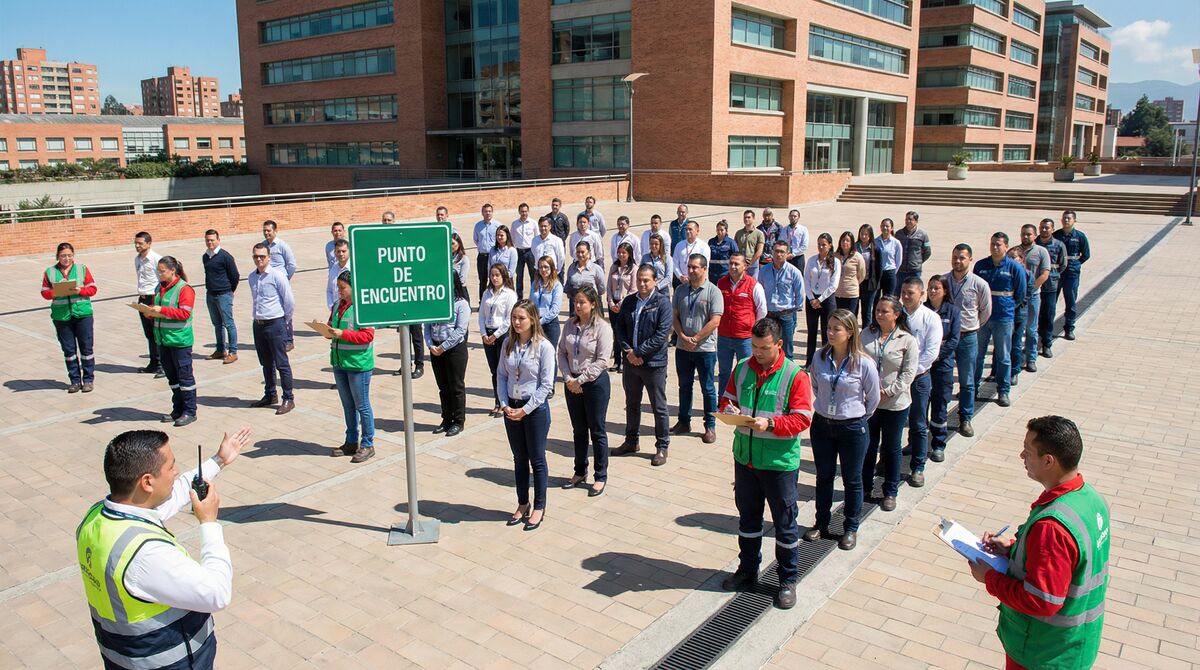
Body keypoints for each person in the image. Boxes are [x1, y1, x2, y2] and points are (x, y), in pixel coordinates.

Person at [77, 427, 252, 670]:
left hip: (122, 657)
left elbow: (177, 492)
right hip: (169, 662)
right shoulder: (146, 555)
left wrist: (218, 461)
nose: (176, 472)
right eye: (170, 467)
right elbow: (217, 593)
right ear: (147, 482)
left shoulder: (97, 517)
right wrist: (209, 523)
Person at [969, 416, 1109, 670]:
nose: (1021, 455)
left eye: (1028, 451)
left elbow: (1042, 600)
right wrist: (1012, 549)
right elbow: (1066, 564)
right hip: (1075, 644)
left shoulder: (1052, 526)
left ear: (1048, 461)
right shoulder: (1090, 499)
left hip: (1043, 653)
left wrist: (989, 578)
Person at [718, 317, 814, 609]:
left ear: (779, 345)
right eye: (755, 346)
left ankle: (787, 580)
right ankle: (747, 570)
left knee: (785, 524)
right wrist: (728, 409)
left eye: (764, 348)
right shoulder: (744, 368)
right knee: (748, 519)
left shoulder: (795, 376)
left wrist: (770, 423)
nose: (757, 353)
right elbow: (726, 399)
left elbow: (802, 419)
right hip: (745, 459)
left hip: (778, 464)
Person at [804, 309, 880, 551]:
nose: (831, 332)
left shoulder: (863, 362)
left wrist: (854, 416)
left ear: (850, 332)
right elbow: (815, 385)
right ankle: (821, 523)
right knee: (823, 476)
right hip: (823, 425)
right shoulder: (819, 357)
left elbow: (873, 398)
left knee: (852, 479)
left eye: (837, 328)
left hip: (852, 427)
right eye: (829, 327)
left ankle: (850, 527)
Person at [498, 300, 556, 531]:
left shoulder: (544, 347)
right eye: (514, 318)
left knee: (537, 459)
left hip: (533, 410)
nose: (516, 322)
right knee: (519, 459)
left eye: (521, 318)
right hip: (511, 407)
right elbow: (501, 375)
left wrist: (525, 410)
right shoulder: (507, 344)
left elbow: (546, 385)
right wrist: (504, 404)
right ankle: (523, 502)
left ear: (532, 319)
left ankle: (539, 507)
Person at [860, 296, 918, 512]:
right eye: (877, 310)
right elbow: (857, 363)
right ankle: (864, 486)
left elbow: (908, 373)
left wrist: (888, 391)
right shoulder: (866, 334)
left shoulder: (907, 340)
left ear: (896, 315)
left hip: (895, 404)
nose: (879, 314)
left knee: (892, 448)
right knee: (867, 446)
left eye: (885, 311)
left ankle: (890, 491)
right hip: (869, 403)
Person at [614, 265, 673, 466]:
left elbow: (661, 334)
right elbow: (619, 327)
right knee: (632, 404)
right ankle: (631, 441)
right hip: (631, 364)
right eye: (639, 279)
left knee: (659, 406)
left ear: (655, 281)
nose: (642, 283)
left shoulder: (663, 303)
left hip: (653, 363)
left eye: (646, 280)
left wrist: (639, 352)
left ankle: (662, 446)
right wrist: (628, 351)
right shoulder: (630, 301)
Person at [559, 284, 613, 497]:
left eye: (582, 302)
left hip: (594, 384)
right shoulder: (569, 325)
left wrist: (580, 380)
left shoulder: (602, 327)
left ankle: (601, 476)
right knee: (578, 429)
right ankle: (579, 471)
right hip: (572, 382)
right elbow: (561, 352)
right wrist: (567, 378)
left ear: (593, 304)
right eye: (575, 302)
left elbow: (602, 361)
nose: (578, 306)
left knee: (597, 430)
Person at [671, 254, 724, 444]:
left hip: (705, 349)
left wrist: (695, 338)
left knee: (708, 388)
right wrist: (682, 337)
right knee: (684, 386)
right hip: (683, 347)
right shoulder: (680, 290)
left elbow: (715, 321)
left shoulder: (713, 292)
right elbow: (674, 316)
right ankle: (683, 421)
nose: (691, 271)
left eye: (695, 267)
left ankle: (710, 425)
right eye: (689, 267)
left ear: (704, 269)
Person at [325, 270, 376, 463]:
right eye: (338, 287)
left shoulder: (363, 307)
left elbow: (367, 336)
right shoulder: (338, 305)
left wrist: (342, 334)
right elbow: (332, 325)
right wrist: (327, 331)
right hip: (340, 361)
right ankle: (351, 441)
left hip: (358, 364)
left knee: (362, 405)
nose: (339, 291)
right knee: (348, 405)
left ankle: (368, 443)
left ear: (354, 288)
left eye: (342, 288)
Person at [973, 232, 1027, 408]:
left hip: (1004, 317)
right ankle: (972, 388)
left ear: (1006, 246)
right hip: (983, 317)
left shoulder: (1014, 268)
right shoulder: (981, 266)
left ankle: (1003, 390)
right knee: (978, 355)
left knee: (1003, 356)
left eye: (999, 244)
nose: (995, 247)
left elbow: (1020, 294)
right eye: (993, 244)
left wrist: (1008, 307)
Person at [899, 277, 942, 488]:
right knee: (892, 423)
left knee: (918, 423)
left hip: (918, 379)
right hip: (896, 380)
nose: (906, 296)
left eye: (911, 293)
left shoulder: (930, 319)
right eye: (904, 292)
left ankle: (918, 467)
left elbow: (931, 353)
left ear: (921, 294)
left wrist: (909, 374)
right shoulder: (896, 314)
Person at [149, 257, 199, 426]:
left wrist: (161, 310)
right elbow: (158, 309)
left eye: (162, 271)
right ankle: (177, 409)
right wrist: (150, 312)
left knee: (185, 378)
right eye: (158, 270)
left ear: (172, 270)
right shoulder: (160, 288)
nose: (159, 274)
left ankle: (190, 411)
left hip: (179, 341)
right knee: (173, 378)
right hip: (163, 340)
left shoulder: (184, 289)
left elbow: (184, 313)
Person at [948, 243, 991, 437]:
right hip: (947, 338)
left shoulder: (979, 284)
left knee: (967, 381)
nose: (958, 261)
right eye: (955, 257)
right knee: (944, 380)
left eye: (962, 257)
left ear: (970, 260)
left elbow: (985, 311)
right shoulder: (943, 281)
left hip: (968, 336)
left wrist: (971, 327)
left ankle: (965, 418)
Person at [42, 242, 98, 393]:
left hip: (82, 314)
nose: (66, 259)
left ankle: (88, 380)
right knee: (69, 350)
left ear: (73, 255)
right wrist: (54, 293)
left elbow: (93, 289)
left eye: (69, 255)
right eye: (63, 256)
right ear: (57, 256)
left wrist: (80, 290)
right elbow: (44, 292)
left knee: (86, 348)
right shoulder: (50, 272)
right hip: (62, 316)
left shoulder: (81, 269)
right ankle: (74, 380)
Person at [248, 243, 295, 415]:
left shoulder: (277, 276)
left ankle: (288, 398)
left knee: (281, 363)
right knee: (265, 363)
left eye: (262, 256)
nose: (259, 259)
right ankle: (270, 394)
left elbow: (289, 301)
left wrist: (283, 321)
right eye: (256, 256)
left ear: (269, 257)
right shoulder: (252, 277)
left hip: (275, 323)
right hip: (259, 324)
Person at [716, 251, 768, 394]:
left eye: (736, 264)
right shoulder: (721, 283)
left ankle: (746, 402)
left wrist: (752, 329)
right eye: (731, 263)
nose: (733, 267)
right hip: (724, 336)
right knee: (724, 372)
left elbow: (762, 310)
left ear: (745, 266)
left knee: (748, 372)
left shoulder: (754, 285)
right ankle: (723, 401)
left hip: (744, 338)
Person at [925, 275, 961, 466]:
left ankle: (938, 443)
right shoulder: (921, 311)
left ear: (945, 291)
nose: (932, 291)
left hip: (942, 365)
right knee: (920, 407)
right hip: (923, 367)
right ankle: (916, 443)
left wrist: (935, 355)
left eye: (936, 288)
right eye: (930, 288)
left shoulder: (953, 312)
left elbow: (954, 340)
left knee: (939, 405)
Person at [384, 212, 425, 379]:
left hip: (412, 296)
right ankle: (405, 364)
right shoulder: (383, 241)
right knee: (403, 335)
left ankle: (419, 365)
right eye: (384, 221)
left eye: (389, 220)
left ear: (395, 221)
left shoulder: (403, 239)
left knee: (416, 333)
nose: (387, 223)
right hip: (397, 297)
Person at [428, 278, 471, 436]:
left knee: (456, 386)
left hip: (454, 349)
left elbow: (461, 330)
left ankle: (458, 421)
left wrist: (443, 347)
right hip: (436, 348)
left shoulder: (461, 304)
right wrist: (430, 345)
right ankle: (446, 419)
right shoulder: (434, 301)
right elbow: (427, 325)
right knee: (443, 387)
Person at [480, 263, 518, 417]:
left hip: (502, 335)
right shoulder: (487, 293)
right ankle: (497, 401)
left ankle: (505, 402)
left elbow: (510, 318)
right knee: (494, 370)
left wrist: (495, 335)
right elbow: (481, 314)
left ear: (503, 276)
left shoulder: (509, 294)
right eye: (492, 275)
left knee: (503, 370)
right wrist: (484, 334)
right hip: (487, 334)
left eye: (497, 275)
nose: (494, 278)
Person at [759, 241, 805, 360]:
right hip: (769, 315)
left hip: (786, 315)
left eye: (782, 252)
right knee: (768, 346)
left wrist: (794, 312)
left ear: (787, 254)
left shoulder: (794, 272)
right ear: (772, 252)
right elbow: (760, 291)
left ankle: (788, 376)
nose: (779, 254)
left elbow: (799, 293)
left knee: (787, 350)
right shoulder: (764, 271)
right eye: (776, 251)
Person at [1016, 223, 1051, 373]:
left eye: (1029, 234)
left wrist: (1030, 290)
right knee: (1017, 331)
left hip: (1033, 296)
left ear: (1035, 235)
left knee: (1031, 329)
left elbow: (1044, 274)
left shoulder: (1041, 252)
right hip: (1017, 298)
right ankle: (1016, 360)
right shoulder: (1015, 251)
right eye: (1023, 233)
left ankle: (1031, 358)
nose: (1026, 236)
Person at [803, 233, 841, 367]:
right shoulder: (812, 260)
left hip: (827, 299)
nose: (821, 247)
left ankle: (826, 361)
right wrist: (811, 298)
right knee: (811, 332)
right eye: (819, 244)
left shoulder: (835, 262)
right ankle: (809, 362)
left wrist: (820, 299)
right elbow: (806, 279)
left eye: (824, 244)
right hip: (812, 298)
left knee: (827, 332)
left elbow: (833, 285)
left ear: (830, 245)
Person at [202, 229, 239, 364]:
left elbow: (235, 276)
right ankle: (220, 349)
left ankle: (233, 351)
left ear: (218, 240)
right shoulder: (205, 256)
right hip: (210, 294)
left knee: (229, 323)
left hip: (224, 294)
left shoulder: (225, 257)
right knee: (217, 324)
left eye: (212, 240)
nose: (210, 242)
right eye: (207, 240)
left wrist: (229, 291)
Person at [1052, 210, 1090, 341]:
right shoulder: (1056, 235)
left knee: (1071, 300)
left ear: (1074, 221)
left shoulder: (1079, 236)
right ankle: (1048, 327)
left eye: (1069, 218)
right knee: (1051, 300)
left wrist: (1076, 264)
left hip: (1072, 272)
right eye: (1064, 218)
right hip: (1057, 272)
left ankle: (1069, 328)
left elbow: (1086, 254)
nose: (1066, 220)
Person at [261, 220, 297, 350]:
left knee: (286, 309)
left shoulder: (282, 245)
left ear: (275, 231)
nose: (266, 233)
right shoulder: (264, 246)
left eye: (269, 230)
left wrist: (285, 278)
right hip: (268, 282)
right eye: (264, 230)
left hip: (281, 282)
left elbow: (292, 264)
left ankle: (289, 339)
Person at [1035, 218, 1068, 358]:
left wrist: (1053, 275)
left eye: (1047, 228)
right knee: (1034, 316)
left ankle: (1047, 343)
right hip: (1034, 285)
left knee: (1048, 314)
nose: (1044, 230)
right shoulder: (1033, 244)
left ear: (1052, 229)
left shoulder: (1059, 245)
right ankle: (1034, 344)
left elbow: (1063, 264)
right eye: (1042, 227)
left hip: (1050, 285)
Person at [132, 232, 163, 377]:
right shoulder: (137, 259)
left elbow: (162, 280)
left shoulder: (156, 259)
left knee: (158, 332)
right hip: (143, 298)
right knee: (149, 334)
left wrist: (158, 299)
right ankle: (153, 362)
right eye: (136, 243)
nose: (137, 246)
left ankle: (163, 365)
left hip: (153, 298)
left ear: (149, 243)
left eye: (140, 243)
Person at [531, 255, 563, 384]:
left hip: (549, 325)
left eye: (546, 267)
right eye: (541, 267)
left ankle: (550, 384)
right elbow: (530, 302)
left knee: (549, 355)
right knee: (535, 354)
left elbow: (555, 309)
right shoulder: (536, 283)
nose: (543, 270)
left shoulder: (557, 285)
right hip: (535, 322)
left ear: (552, 268)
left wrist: (541, 321)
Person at [607, 242, 637, 372]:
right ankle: (616, 361)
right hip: (613, 304)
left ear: (629, 254)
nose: (621, 255)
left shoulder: (634, 268)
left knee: (625, 332)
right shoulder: (614, 266)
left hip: (625, 305)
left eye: (624, 253)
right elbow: (608, 286)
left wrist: (621, 303)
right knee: (616, 332)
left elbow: (633, 289)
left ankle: (625, 360)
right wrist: (610, 302)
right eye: (619, 252)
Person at [1006, 245, 1034, 387]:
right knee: (1003, 344)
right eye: (1009, 258)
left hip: (1019, 313)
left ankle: (1014, 371)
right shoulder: (1006, 272)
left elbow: (1026, 295)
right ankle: (997, 371)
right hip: (1005, 313)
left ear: (1021, 259)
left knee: (1016, 344)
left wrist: (1011, 305)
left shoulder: (1027, 274)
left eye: (1014, 258)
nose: (1011, 261)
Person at [565, 241, 606, 317]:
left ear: (589, 252)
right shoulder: (571, 268)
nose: (580, 255)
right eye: (578, 252)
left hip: (591, 308)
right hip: (575, 307)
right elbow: (568, 285)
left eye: (583, 252)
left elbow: (601, 289)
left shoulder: (596, 269)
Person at [834, 230, 866, 320]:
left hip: (851, 294)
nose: (845, 242)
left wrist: (852, 283)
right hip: (837, 293)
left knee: (849, 319)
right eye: (843, 240)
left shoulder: (858, 257)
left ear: (852, 243)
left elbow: (861, 275)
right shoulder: (835, 256)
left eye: (847, 240)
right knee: (838, 319)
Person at [894, 211, 932, 285]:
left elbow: (927, 252)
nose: (908, 221)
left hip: (914, 271)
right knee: (896, 293)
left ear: (916, 221)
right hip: (900, 270)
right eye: (906, 219)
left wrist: (918, 261)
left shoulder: (923, 235)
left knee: (914, 291)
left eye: (910, 219)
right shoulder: (899, 234)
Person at [856, 224, 882, 328]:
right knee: (854, 310)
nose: (863, 236)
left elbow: (879, 269)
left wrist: (876, 284)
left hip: (869, 284)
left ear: (870, 235)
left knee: (866, 312)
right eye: (862, 233)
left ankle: (866, 335)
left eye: (866, 234)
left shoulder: (876, 249)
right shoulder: (854, 247)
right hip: (856, 283)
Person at [473, 203, 501, 299]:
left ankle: (495, 298)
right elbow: (476, 240)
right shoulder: (478, 226)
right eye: (485, 211)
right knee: (482, 280)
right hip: (482, 256)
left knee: (495, 279)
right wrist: (482, 247)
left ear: (492, 213)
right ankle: (482, 301)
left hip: (494, 255)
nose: (488, 213)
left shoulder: (498, 225)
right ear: (482, 213)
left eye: (489, 211)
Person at [671, 220, 711, 285]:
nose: (687, 231)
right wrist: (680, 276)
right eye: (686, 229)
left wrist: (693, 278)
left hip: (697, 280)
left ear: (697, 231)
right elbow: (675, 263)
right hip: (681, 281)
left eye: (690, 229)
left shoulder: (704, 246)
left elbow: (705, 266)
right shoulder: (679, 245)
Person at [512, 202, 537, 299]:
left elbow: (536, 237)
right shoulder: (515, 224)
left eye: (526, 211)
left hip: (530, 252)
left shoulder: (533, 223)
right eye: (522, 211)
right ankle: (519, 297)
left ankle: (533, 296)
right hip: (519, 252)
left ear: (528, 211)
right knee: (519, 276)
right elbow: (513, 238)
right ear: (519, 212)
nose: (524, 213)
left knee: (533, 275)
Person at [874, 218, 903, 298]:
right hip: (877, 273)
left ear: (892, 228)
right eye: (883, 226)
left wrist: (893, 272)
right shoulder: (875, 241)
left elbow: (899, 260)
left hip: (890, 273)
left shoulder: (896, 243)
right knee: (875, 298)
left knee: (888, 298)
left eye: (887, 226)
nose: (885, 228)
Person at [532, 216, 566, 282]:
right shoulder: (535, 240)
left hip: (552, 272)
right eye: (541, 226)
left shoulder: (556, 240)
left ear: (550, 226)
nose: (543, 228)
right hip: (539, 272)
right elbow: (534, 253)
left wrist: (557, 270)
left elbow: (561, 257)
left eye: (545, 226)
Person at [735, 209, 765, 277]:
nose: (746, 219)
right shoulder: (738, 233)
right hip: (741, 264)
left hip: (753, 266)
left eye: (749, 217)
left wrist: (750, 263)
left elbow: (759, 251)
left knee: (752, 285)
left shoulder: (759, 234)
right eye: (745, 217)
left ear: (753, 218)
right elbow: (735, 249)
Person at [708, 219, 735, 284]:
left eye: (722, 230)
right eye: (718, 230)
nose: (719, 232)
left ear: (726, 231)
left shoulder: (731, 243)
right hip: (713, 274)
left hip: (725, 273)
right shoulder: (711, 242)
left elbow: (736, 257)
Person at [327, 239, 351, 310]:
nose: (341, 254)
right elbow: (329, 290)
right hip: (336, 311)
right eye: (338, 251)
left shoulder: (354, 269)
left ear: (349, 252)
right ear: (335, 253)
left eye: (344, 251)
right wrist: (332, 307)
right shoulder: (333, 269)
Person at [757, 208, 782, 273]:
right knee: (762, 275)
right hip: (762, 258)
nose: (767, 216)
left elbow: (781, 243)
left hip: (774, 257)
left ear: (772, 215)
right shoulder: (759, 228)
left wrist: (774, 256)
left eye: (769, 214)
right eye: (765, 215)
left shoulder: (778, 227)